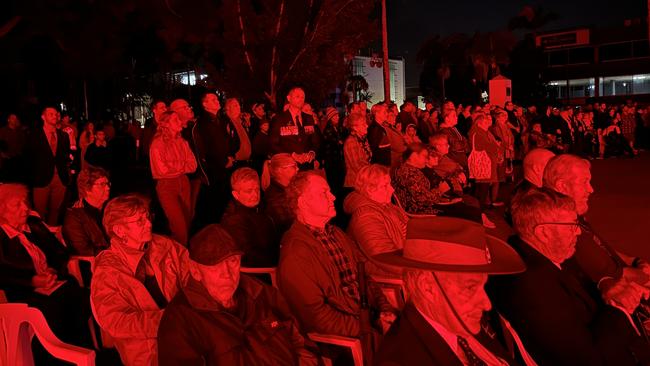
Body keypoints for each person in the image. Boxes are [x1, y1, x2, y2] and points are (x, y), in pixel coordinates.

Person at [487, 187, 650, 365]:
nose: (578, 232)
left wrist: (607, 284)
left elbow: (585, 286)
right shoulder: (533, 288)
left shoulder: (544, 253)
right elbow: (586, 359)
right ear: (544, 233)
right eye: (572, 225)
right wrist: (620, 307)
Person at [157, 224, 320, 365]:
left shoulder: (262, 293)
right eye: (215, 266)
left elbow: (302, 344)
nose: (227, 274)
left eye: (233, 261)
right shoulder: (180, 319)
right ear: (195, 271)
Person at [373, 216, 527, 365]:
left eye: (482, 286)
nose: (487, 304)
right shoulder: (401, 360)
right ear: (427, 287)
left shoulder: (456, 318)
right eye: (470, 287)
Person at [277, 172, 396, 340]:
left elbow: (365, 279)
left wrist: (385, 310)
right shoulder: (296, 252)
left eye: (330, 191)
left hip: (370, 318)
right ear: (303, 202)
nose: (333, 197)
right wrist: (369, 328)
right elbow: (317, 317)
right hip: (349, 338)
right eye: (323, 193)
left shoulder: (336, 234)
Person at [542, 154, 650, 318]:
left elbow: (601, 245)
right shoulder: (566, 230)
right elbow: (616, 275)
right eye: (584, 182)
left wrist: (635, 260)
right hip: (624, 300)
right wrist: (645, 274)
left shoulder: (574, 216)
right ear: (562, 186)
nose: (591, 189)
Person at [91, 194, 190, 366]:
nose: (149, 224)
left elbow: (192, 275)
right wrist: (167, 321)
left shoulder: (164, 245)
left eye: (147, 217)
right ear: (120, 231)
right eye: (139, 221)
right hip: (147, 350)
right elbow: (116, 321)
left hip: (185, 334)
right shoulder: (108, 271)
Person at [0, 183, 91, 349]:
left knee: (81, 297)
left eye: (25, 202)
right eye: (17, 205)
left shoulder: (33, 224)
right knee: (53, 309)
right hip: (23, 293)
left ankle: (83, 352)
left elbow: (60, 252)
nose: (25, 208)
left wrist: (52, 269)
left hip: (56, 283)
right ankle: (57, 356)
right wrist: (33, 281)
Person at [343, 164, 407, 278]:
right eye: (385, 186)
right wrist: (418, 270)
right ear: (370, 190)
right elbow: (385, 259)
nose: (392, 189)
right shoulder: (365, 216)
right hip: (385, 277)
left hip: (405, 262)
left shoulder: (389, 207)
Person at [150, 111, 197, 245]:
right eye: (175, 120)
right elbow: (162, 170)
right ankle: (179, 258)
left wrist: (174, 166)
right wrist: (182, 166)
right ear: (166, 124)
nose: (180, 122)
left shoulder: (182, 142)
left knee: (186, 222)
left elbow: (193, 166)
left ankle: (178, 254)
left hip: (183, 183)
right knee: (179, 225)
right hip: (167, 186)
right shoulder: (157, 144)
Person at [192, 92, 238, 223]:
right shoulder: (203, 124)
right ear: (204, 104)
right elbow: (207, 148)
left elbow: (230, 140)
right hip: (215, 170)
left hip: (226, 166)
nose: (217, 101)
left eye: (216, 99)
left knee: (223, 201)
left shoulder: (221, 120)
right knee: (214, 203)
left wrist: (230, 156)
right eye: (212, 100)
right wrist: (223, 161)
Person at [220, 167, 280, 267]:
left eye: (257, 190)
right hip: (262, 273)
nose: (255, 194)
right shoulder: (234, 220)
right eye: (249, 191)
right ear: (236, 195)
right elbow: (249, 257)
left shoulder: (258, 208)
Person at [25, 106, 72, 226]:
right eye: (51, 114)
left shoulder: (63, 136)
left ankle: (52, 235)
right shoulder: (34, 135)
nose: (55, 116)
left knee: (56, 210)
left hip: (60, 179)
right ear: (43, 117)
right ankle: (41, 236)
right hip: (41, 179)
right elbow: (28, 158)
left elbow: (65, 156)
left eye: (56, 114)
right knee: (40, 212)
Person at [63, 166, 110, 255]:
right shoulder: (74, 217)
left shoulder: (109, 208)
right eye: (102, 184)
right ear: (87, 189)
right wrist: (112, 252)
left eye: (108, 184)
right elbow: (83, 250)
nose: (108, 188)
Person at [269, 87, 321, 169]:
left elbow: (315, 141)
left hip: (307, 165)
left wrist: (312, 152)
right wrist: (291, 155)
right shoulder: (279, 119)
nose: (301, 99)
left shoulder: (309, 118)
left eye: (303, 97)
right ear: (289, 98)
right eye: (297, 96)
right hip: (288, 166)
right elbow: (273, 144)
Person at [469, 113, 504, 208]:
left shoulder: (483, 132)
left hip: (486, 164)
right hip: (484, 165)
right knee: (482, 189)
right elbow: (488, 146)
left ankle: (480, 209)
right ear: (479, 123)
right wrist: (495, 145)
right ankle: (480, 210)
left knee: (483, 188)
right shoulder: (478, 133)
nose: (487, 123)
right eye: (485, 122)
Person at [264, 153, 299, 236]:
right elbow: (287, 223)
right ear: (280, 170)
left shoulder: (290, 187)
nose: (298, 169)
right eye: (293, 166)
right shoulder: (274, 197)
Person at [321, 107, 346, 197]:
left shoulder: (337, 128)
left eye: (338, 116)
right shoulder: (328, 130)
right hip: (332, 162)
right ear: (331, 118)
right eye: (335, 116)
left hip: (338, 160)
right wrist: (339, 143)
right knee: (334, 184)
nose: (338, 118)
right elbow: (334, 143)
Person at [343, 113, 372, 189]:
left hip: (363, 180)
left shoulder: (362, 139)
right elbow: (357, 166)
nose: (367, 126)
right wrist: (372, 174)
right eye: (363, 124)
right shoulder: (351, 142)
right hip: (355, 183)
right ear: (355, 128)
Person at [0, 113, 27, 181]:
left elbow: (23, 143)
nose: (14, 120)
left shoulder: (20, 131)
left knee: (16, 179)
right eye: (12, 118)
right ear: (8, 120)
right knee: (6, 179)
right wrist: (2, 154)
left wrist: (20, 153)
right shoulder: (3, 130)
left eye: (15, 118)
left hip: (17, 158)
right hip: (6, 159)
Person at [141, 100, 167, 165]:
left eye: (165, 107)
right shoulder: (149, 126)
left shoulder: (167, 123)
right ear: (154, 110)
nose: (165, 109)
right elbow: (146, 146)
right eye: (162, 108)